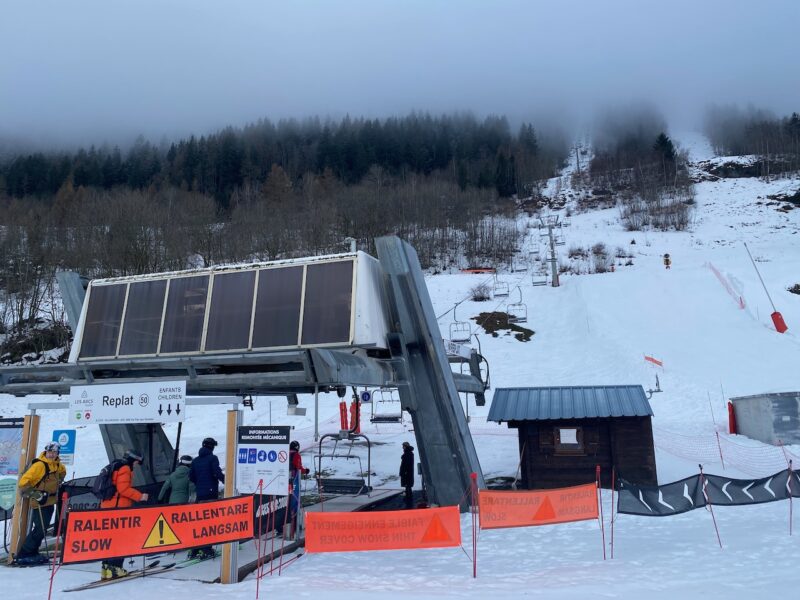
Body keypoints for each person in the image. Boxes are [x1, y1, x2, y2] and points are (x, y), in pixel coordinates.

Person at [14, 442, 67, 565]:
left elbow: (62, 472)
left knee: (43, 528)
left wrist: (59, 480)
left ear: (57, 453)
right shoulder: (40, 465)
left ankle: (33, 551)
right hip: (40, 501)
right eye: (50, 452)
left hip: (50, 501)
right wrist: (36, 494)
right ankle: (25, 553)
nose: (51, 454)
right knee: (40, 528)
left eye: (54, 452)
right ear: (46, 452)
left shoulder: (57, 465)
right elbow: (23, 482)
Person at [100, 449, 149, 579]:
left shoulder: (116, 465)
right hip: (117, 509)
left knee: (110, 539)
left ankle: (106, 568)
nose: (137, 465)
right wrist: (140, 496)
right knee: (120, 539)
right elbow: (123, 489)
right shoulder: (125, 468)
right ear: (134, 459)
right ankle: (116, 568)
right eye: (138, 462)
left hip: (108, 506)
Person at [188, 437, 224, 559]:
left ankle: (195, 549)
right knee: (209, 523)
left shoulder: (195, 460)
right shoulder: (212, 458)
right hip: (210, 494)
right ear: (212, 447)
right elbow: (217, 473)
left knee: (200, 522)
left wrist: (200, 483)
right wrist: (227, 482)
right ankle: (207, 549)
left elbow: (191, 476)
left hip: (200, 495)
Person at [399, 441, 415, 508]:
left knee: (407, 485)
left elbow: (406, 465)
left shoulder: (408, 454)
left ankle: (409, 499)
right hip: (407, 472)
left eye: (403, 446)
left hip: (407, 473)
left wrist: (404, 472)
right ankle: (408, 497)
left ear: (406, 446)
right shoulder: (409, 453)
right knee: (407, 485)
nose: (402, 447)